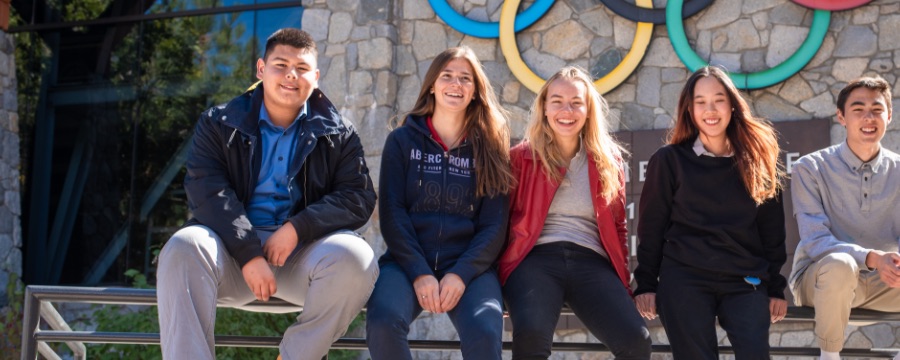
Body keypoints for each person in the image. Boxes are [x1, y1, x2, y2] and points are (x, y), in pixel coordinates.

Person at [156, 28, 378, 360]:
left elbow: (357, 197)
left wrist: (297, 228)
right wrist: (248, 252)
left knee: (357, 258)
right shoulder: (218, 123)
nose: (291, 75)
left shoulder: (339, 133)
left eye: (302, 68)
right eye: (280, 64)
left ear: (315, 77)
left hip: (301, 258)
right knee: (183, 247)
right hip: (230, 255)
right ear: (261, 70)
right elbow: (207, 191)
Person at [365, 46, 513, 360]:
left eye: (465, 78)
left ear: (475, 91)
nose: (455, 84)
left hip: (470, 268)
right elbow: (392, 212)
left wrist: (461, 274)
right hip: (407, 262)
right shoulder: (402, 141)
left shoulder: (491, 149)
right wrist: (419, 272)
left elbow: (494, 226)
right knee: (382, 321)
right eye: (447, 76)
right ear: (433, 84)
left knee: (486, 333)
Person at [496, 66, 652, 359]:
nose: (566, 110)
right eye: (556, 101)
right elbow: (502, 222)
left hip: (590, 261)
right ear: (543, 108)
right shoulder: (520, 157)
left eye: (576, 102)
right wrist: (499, 282)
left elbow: (618, 225)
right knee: (531, 332)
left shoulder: (609, 160)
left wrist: (622, 282)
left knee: (636, 339)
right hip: (535, 259)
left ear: (589, 110)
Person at [633, 66, 787, 359]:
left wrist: (776, 288)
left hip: (745, 279)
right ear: (689, 109)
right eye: (700, 102)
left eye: (718, 99)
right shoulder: (669, 160)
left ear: (732, 104)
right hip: (685, 278)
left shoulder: (758, 162)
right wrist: (647, 285)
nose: (710, 109)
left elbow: (772, 232)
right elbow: (651, 228)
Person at [789, 76, 900, 360]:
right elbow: (815, 240)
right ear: (841, 116)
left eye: (877, 109)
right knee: (840, 264)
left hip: (883, 283)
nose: (868, 117)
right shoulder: (810, 168)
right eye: (858, 109)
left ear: (889, 115)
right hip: (820, 280)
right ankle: (829, 356)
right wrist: (874, 258)